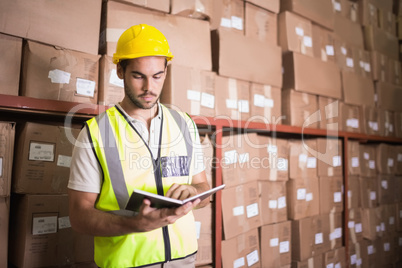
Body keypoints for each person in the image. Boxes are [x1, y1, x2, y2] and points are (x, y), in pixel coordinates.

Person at [67, 24, 210, 268]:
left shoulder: (184, 124)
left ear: (166, 71)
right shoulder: (95, 133)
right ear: (120, 71)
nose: (149, 88)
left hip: (184, 261)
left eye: (157, 76)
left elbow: (202, 187)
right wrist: (134, 224)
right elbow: (79, 216)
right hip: (128, 263)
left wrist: (193, 193)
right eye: (138, 76)